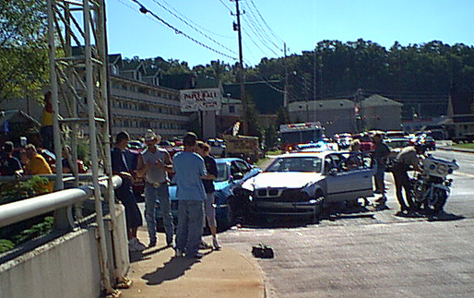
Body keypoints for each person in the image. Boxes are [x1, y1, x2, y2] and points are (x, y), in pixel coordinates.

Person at [172, 132, 209, 259]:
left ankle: (179, 247)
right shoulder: (198, 159)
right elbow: (203, 174)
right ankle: (192, 250)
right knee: (195, 225)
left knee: (182, 223)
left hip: (182, 194)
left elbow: (174, 170)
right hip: (196, 194)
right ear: (194, 144)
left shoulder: (176, 157)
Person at [136, 129, 174, 248]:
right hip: (150, 185)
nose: (150, 143)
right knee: (150, 213)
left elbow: (172, 168)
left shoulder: (163, 153)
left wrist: (163, 167)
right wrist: (146, 168)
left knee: (166, 212)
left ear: (155, 141)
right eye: (147, 141)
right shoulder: (142, 156)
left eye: (151, 141)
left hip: (162, 184)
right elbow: (139, 174)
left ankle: (169, 239)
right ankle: (152, 239)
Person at [111, 131, 145, 252]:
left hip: (126, 187)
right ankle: (131, 239)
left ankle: (133, 238)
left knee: (134, 215)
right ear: (123, 141)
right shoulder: (115, 153)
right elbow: (113, 171)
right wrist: (127, 175)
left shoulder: (123, 153)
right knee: (131, 215)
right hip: (122, 189)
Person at [195, 141, 220, 250]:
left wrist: (202, 177)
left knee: (210, 216)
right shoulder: (194, 160)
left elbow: (213, 176)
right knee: (199, 217)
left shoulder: (210, 160)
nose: (195, 151)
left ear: (203, 149)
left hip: (208, 191)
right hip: (197, 192)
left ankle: (214, 238)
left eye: (197, 149)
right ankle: (199, 239)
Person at [392, 144, 425, 214]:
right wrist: (423, 171)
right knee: (407, 187)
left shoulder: (410, 148)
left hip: (396, 166)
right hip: (400, 168)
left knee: (400, 188)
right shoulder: (413, 153)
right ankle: (409, 206)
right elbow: (415, 166)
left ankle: (405, 205)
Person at [371, 133, 390, 205]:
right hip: (375, 164)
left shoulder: (383, 145)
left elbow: (388, 153)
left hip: (381, 165)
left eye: (375, 138)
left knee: (380, 179)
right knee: (377, 180)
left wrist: (383, 158)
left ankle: (383, 195)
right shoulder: (375, 145)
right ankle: (381, 195)